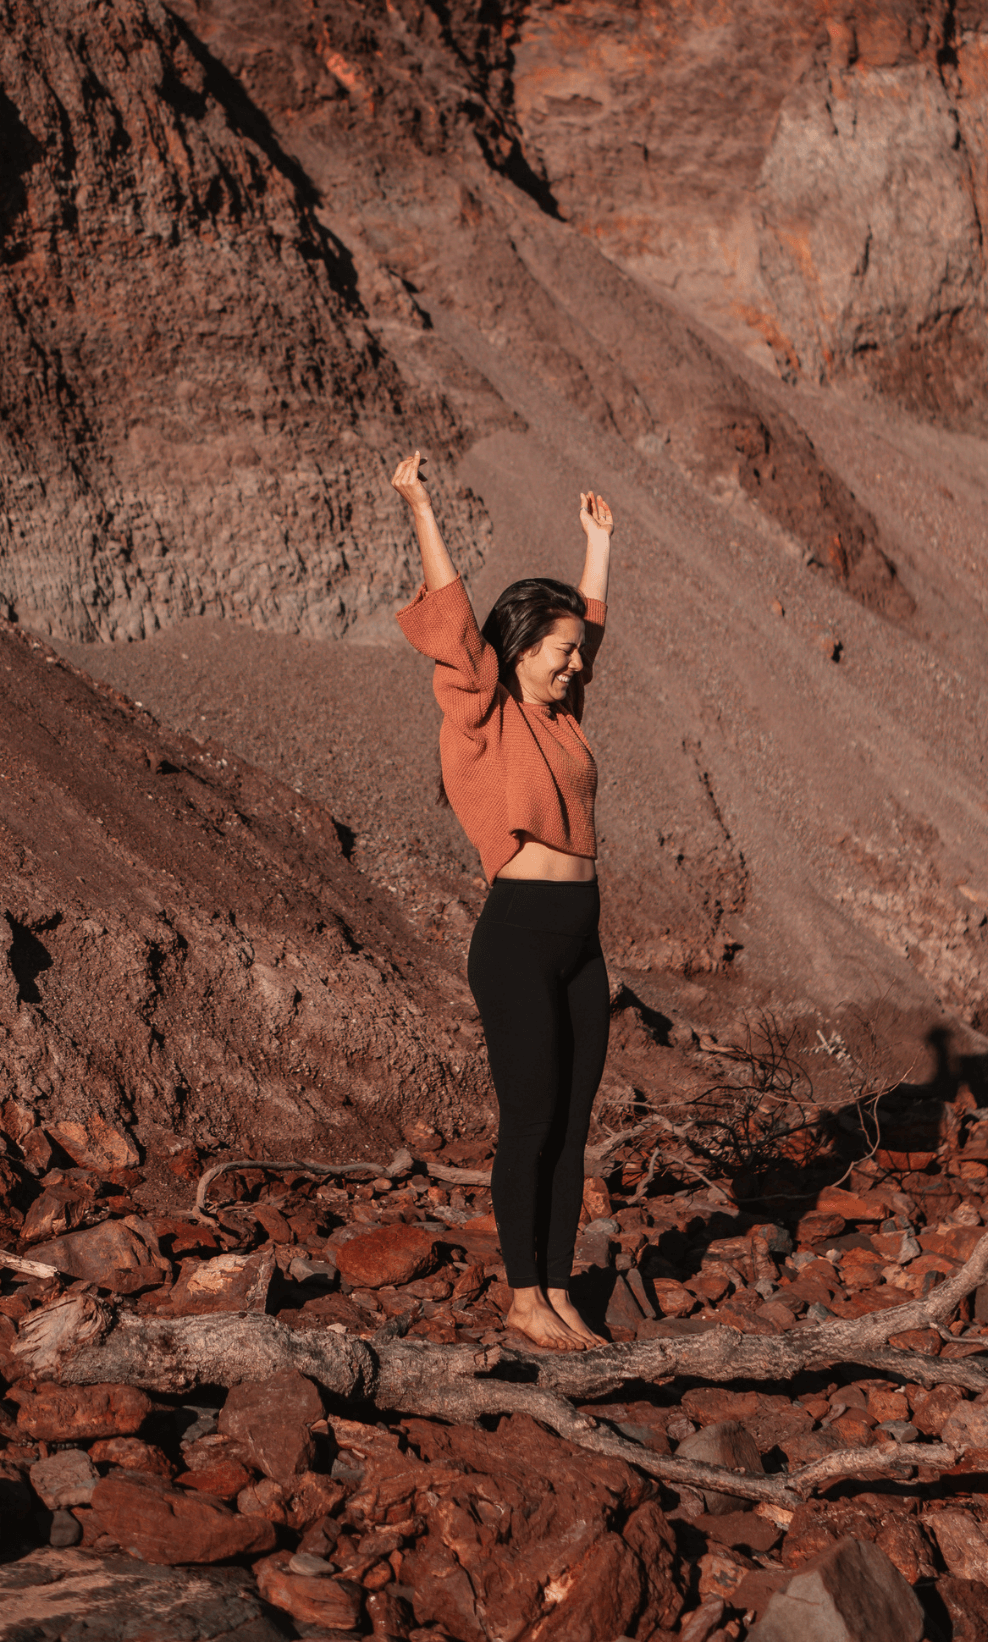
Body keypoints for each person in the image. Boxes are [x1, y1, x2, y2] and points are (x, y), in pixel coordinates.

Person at [392, 450, 614, 1351]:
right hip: (519, 937)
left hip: (581, 938)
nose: (574, 664)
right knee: (528, 1119)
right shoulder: (484, 706)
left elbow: (588, 633)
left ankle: (557, 1293)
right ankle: (522, 1297)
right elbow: (452, 621)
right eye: (557, 652)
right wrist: (420, 507)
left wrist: (597, 547)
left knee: (571, 1124)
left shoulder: (562, 711)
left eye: (573, 653)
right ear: (521, 651)